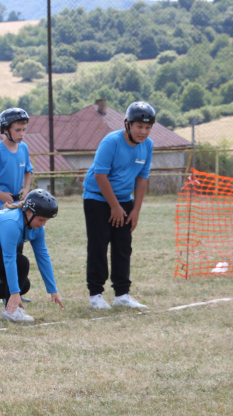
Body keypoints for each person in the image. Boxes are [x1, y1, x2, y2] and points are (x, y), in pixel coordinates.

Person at [83, 102, 155, 310]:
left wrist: (135, 210)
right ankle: (95, 295)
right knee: (98, 245)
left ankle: (122, 294)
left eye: (147, 127)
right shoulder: (111, 142)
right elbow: (100, 174)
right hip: (97, 198)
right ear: (127, 124)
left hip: (124, 199)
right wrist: (114, 207)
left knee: (123, 246)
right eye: (139, 126)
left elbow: (142, 177)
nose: (143, 131)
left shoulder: (147, 145)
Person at [0, 189, 64, 322]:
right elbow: (9, 259)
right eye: (41, 219)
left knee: (24, 285)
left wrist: (53, 289)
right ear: (29, 213)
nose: (43, 224)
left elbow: (43, 256)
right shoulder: (11, 223)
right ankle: (10, 311)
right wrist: (14, 294)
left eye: (46, 220)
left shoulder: (37, 228)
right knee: (22, 263)